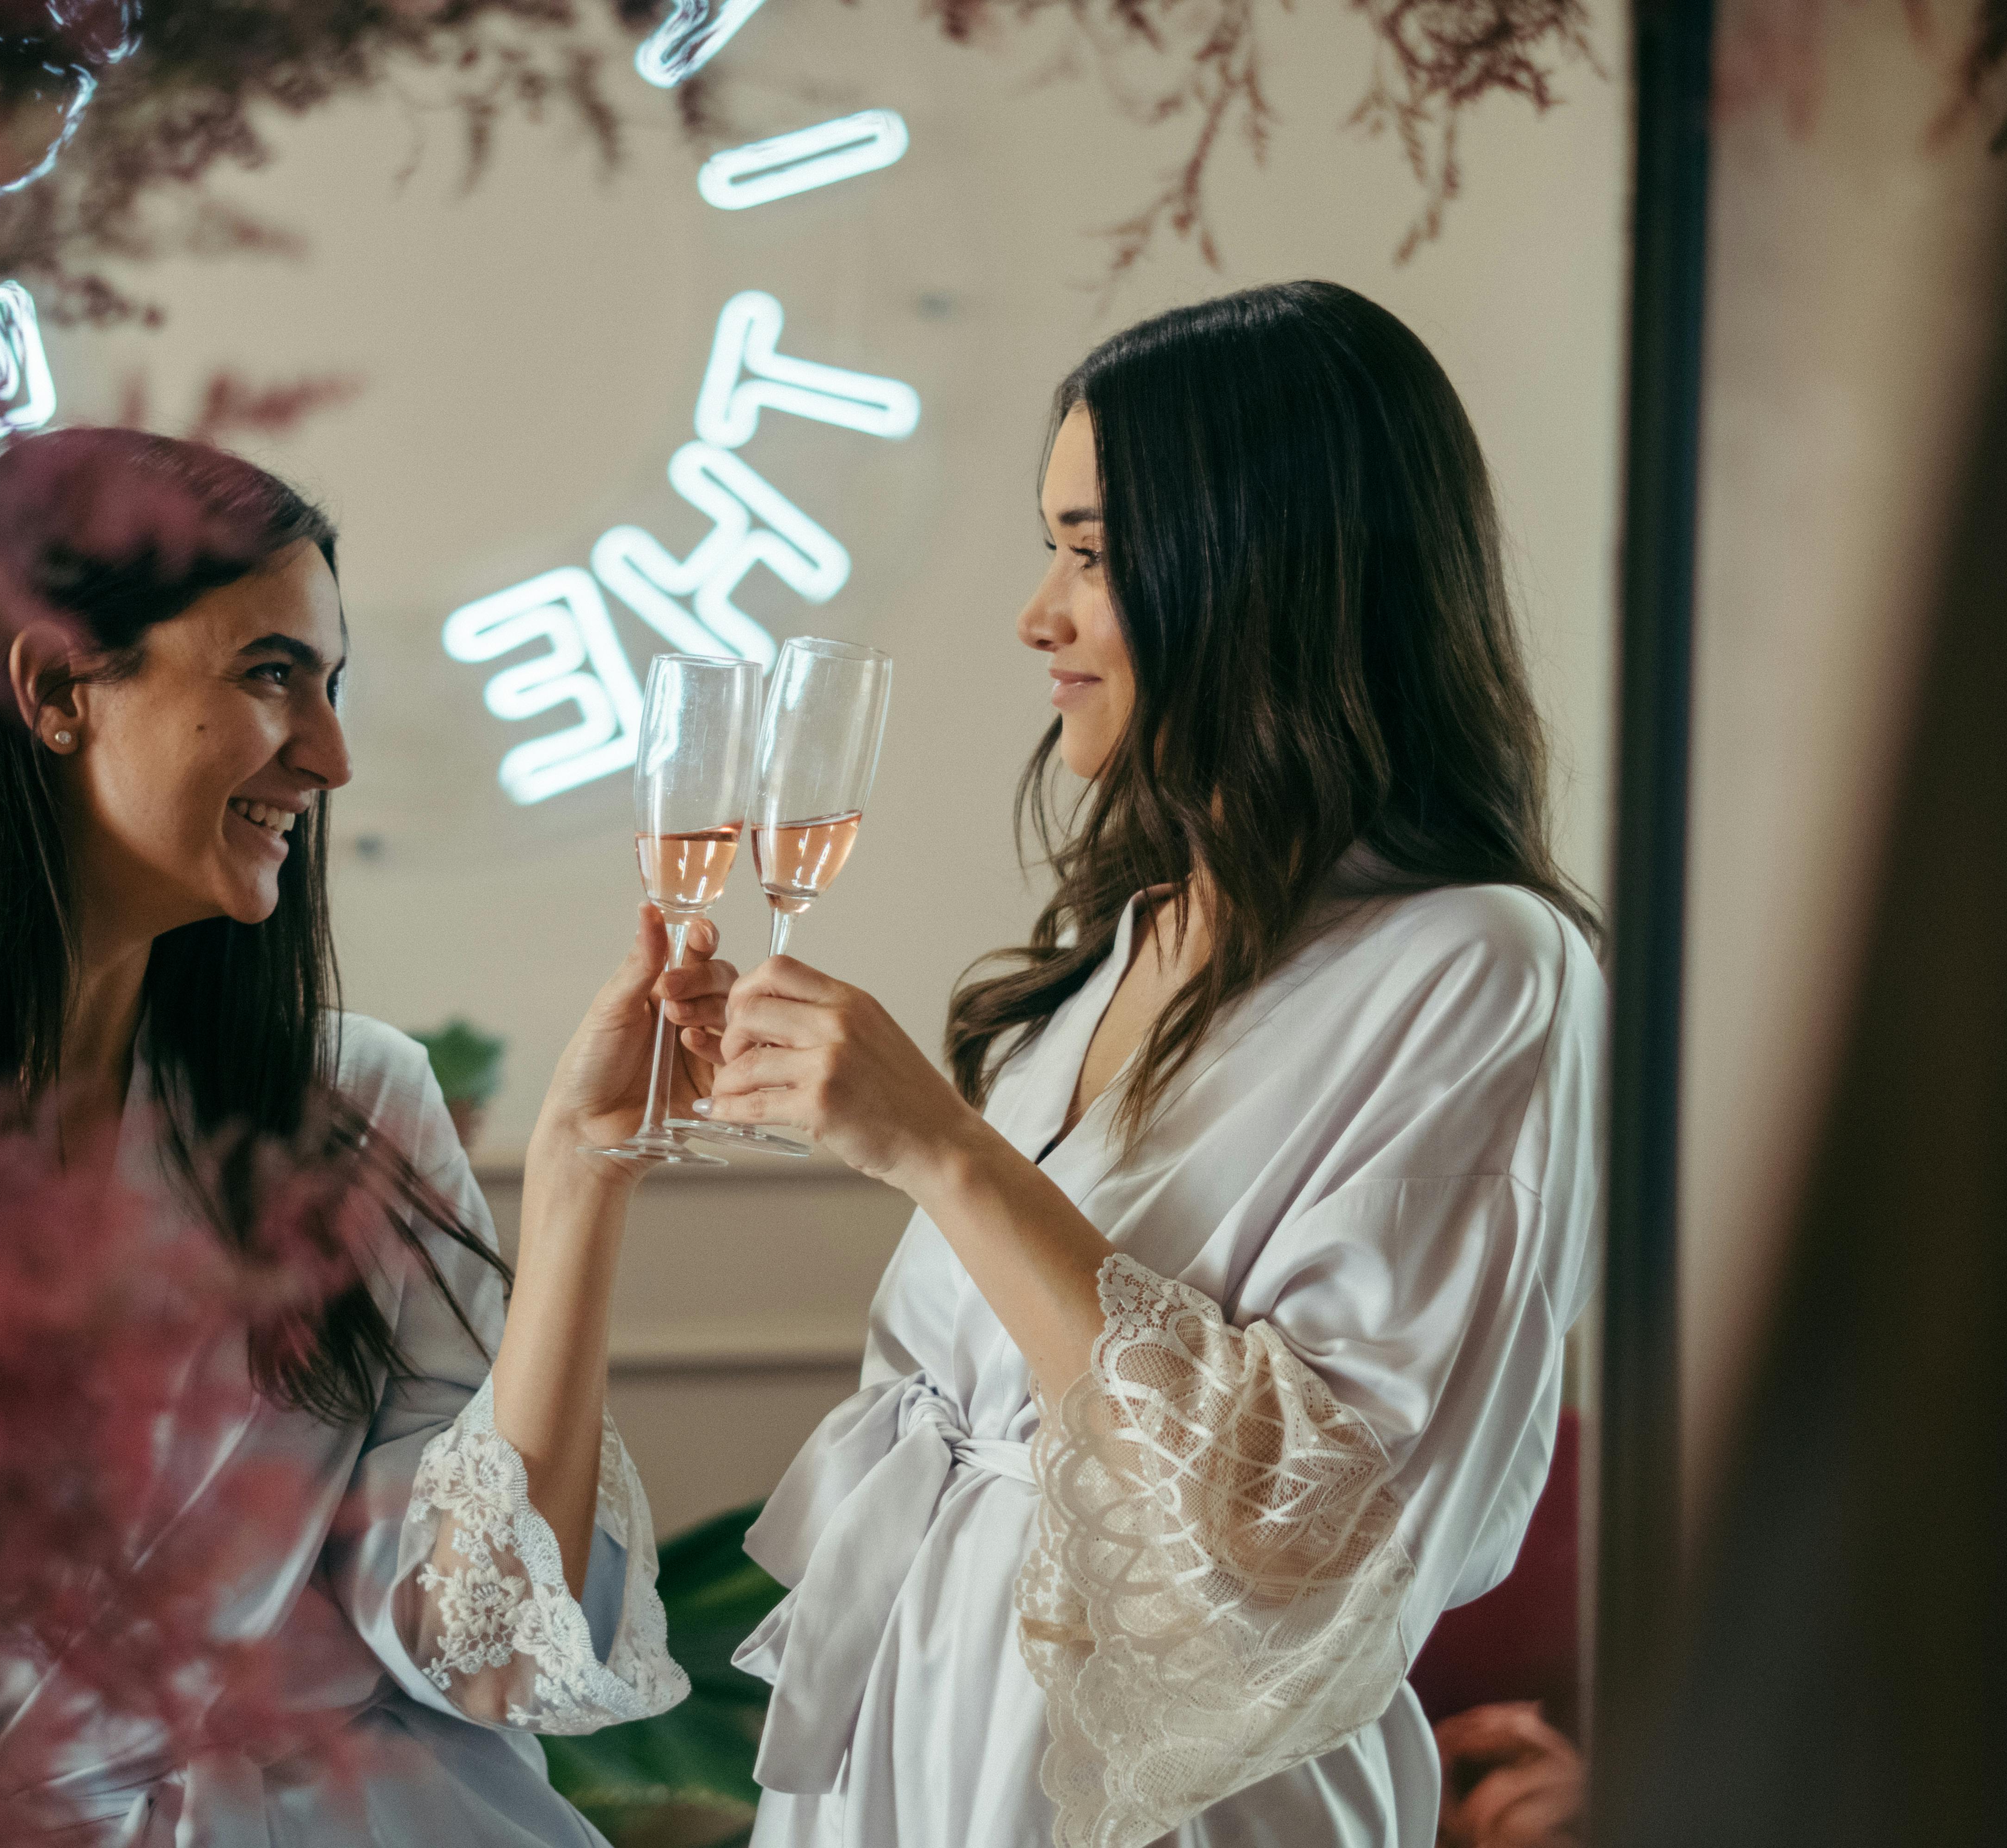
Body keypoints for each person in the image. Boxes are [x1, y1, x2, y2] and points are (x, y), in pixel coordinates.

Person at [681, 283, 1605, 1848]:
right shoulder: (1110, 955)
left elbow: (1311, 1534)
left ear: (1265, 572)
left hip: (1172, 1801)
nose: (1039, 614)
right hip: (914, 1754)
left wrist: (933, 1147)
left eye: (1095, 555)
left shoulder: (1481, 969)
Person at [0, 428, 735, 1845]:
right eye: (272, 675)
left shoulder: (355, 1107)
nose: (330, 755)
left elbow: (486, 1645)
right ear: (58, 688)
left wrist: (577, 1184)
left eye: (331, 686)